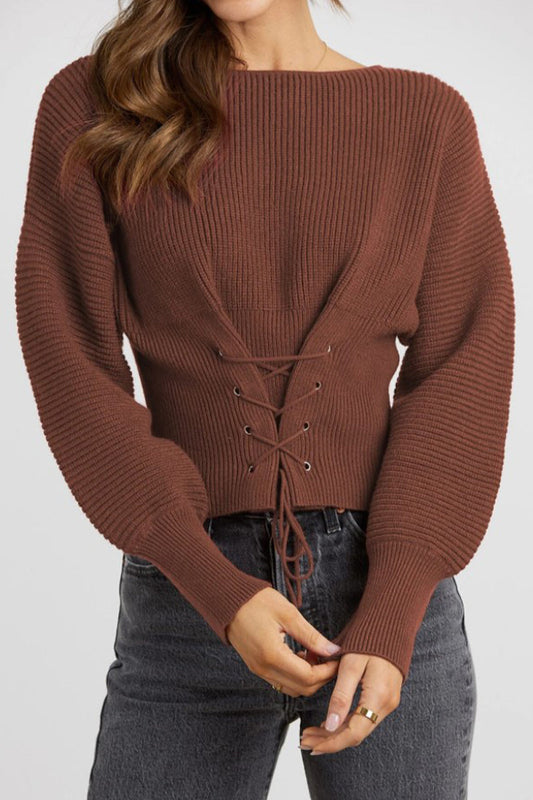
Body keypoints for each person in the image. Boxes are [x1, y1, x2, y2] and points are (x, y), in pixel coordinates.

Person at [15, 0, 515, 797]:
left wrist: (392, 609)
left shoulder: (425, 119)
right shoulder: (102, 103)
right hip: (186, 594)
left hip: (387, 605)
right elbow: (69, 360)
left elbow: (462, 370)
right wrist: (212, 585)